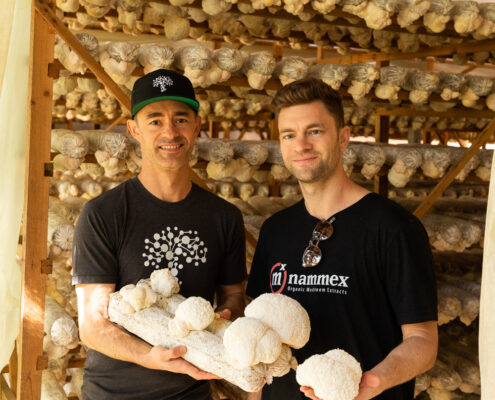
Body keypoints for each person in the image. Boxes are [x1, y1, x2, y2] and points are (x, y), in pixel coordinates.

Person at [246, 78, 438, 400]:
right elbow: (260, 339)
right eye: (289, 135)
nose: (301, 145)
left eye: (315, 131)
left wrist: (373, 382)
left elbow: (422, 340)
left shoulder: (394, 228)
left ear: (344, 137)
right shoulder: (275, 230)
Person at [72, 69, 247, 400]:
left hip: (191, 394)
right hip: (113, 394)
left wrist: (225, 317)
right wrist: (148, 356)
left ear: (197, 126)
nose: (170, 131)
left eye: (181, 119)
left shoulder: (224, 217)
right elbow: (93, 326)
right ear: (134, 129)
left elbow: (234, 296)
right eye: (155, 120)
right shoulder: (103, 215)